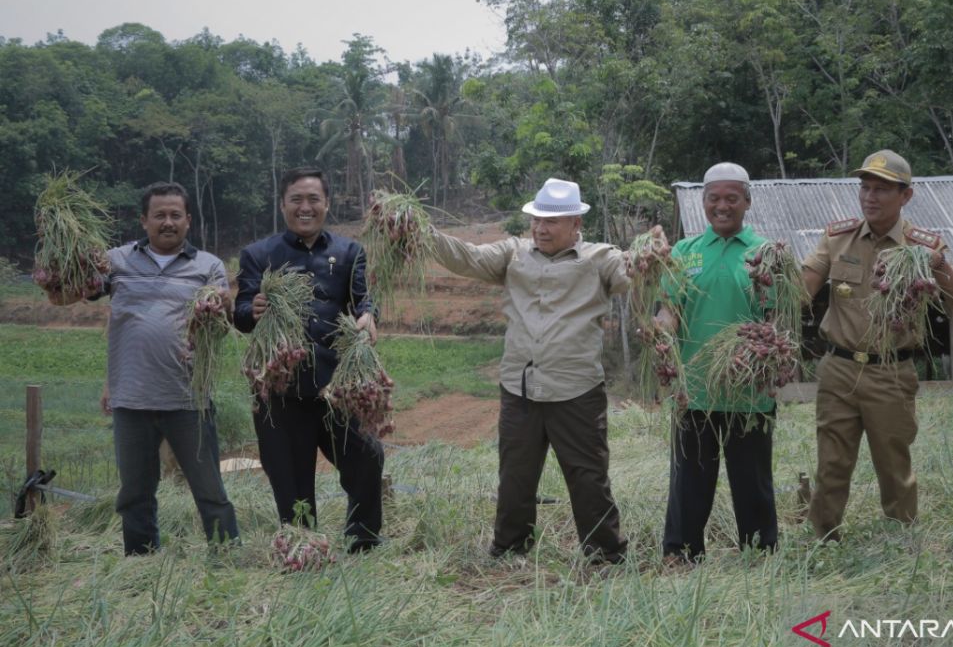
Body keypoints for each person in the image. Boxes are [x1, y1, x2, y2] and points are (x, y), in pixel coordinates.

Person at [424, 178, 629, 563]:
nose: (541, 228)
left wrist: (649, 259)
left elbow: (631, 275)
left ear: (575, 225)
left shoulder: (600, 258)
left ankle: (606, 554)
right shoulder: (513, 254)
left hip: (576, 392)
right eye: (537, 219)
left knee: (588, 476)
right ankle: (509, 547)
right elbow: (466, 257)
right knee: (516, 475)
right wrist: (423, 232)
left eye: (552, 221)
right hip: (520, 388)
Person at [48, 182, 240, 555]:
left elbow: (225, 316)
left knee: (210, 489)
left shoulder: (208, 266)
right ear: (144, 220)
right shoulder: (116, 261)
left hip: (189, 398)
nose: (167, 222)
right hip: (131, 398)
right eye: (159, 215)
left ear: (188, 220)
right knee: (135, 492)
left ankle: (227, 556)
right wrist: (60, 270)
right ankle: (141, 560)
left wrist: (222, 303)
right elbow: (70, 293)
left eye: (175, 215)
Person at [801, 150, 953, 542]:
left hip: (891, 372)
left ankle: (901, 539)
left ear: (905, 196)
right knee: (831, 463)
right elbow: (801, 291)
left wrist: (937, 265)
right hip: (838, 369)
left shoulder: (922, 246)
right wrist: (770, 276)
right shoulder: (837, 238)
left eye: (881, 190)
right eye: (864, 188)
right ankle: (824, 539)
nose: (870, 197)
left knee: (894, 463)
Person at [234, 167, 384, 552]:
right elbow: (240, 312)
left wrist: (369, 315)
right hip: (281, 390)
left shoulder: (348, 251)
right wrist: (254, 309)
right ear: (283, 205)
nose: (305, 207)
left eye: (313, 199)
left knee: (367, 458)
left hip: (337, 386)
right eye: (296, 199)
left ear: (327, 203)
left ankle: (363, 542)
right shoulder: (259, 254)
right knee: (292, 481)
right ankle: (303, 549)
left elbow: (361, 299)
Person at [656, 162, 778, 563]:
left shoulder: (765, 254)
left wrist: (771, 356)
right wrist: (659, 333)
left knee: (752, 478)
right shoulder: (684, 253)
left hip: (748, 389)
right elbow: (669, 311)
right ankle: (681, 552)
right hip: (695, 388)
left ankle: (760, 553)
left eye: (731, 198)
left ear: (747, 201)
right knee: (690, 476)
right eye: (714, 199)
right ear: (703, 202)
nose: (722, 206)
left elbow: (775, 320)